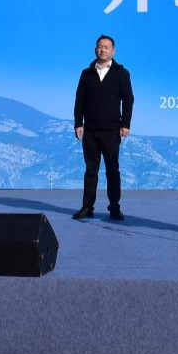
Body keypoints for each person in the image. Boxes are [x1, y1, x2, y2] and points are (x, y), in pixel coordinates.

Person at [72, 35, 135, 221]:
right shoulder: (86, 73)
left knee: (112, 170)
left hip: (112, 130)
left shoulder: (121, 73)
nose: (103, 50)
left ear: (113, 51)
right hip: (90, 130)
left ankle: (114, 207)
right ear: (95, 50)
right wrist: (78, 123)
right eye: (100, 47)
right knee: (91, 170)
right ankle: (87, 207)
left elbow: (128, 100)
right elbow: (79, 100)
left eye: (106, 47)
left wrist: (125, 124)